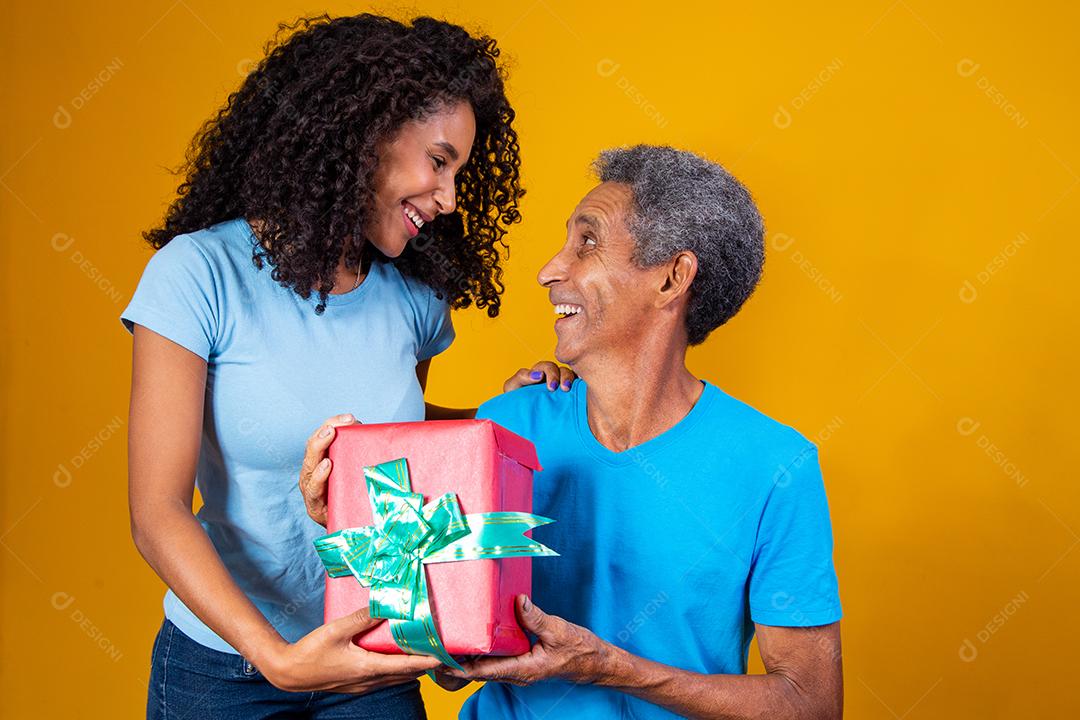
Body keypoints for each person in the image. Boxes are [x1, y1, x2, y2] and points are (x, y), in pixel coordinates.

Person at [123, 14, 570, 720]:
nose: (450, 197)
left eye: (459, 173)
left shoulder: (414, 297)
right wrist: (278, 658)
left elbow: (393, 443)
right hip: (224, 664)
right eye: (439, 161)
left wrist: (495, 415)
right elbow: (157, 512)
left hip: (374, 652)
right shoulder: (198, 274)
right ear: (365, 136)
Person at [299, 144, 843, 719]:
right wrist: (358, 527)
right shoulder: (507, 428)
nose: (549, 271)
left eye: (587, 243)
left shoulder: (774, 467)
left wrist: (611, 668)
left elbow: (811, 705)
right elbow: (452, 664)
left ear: (671, 279)